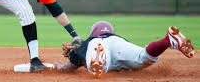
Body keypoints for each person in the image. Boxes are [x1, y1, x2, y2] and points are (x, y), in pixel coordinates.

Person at [55, 21, 195, 76]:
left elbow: (70, 66)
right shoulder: (118, 39)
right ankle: (167, 41)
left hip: (98, 45)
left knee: (98, 68)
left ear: (93, 33)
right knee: (143, 57)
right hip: (118, 44)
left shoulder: (90, 41)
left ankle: (99, 59)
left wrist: (62, 67)